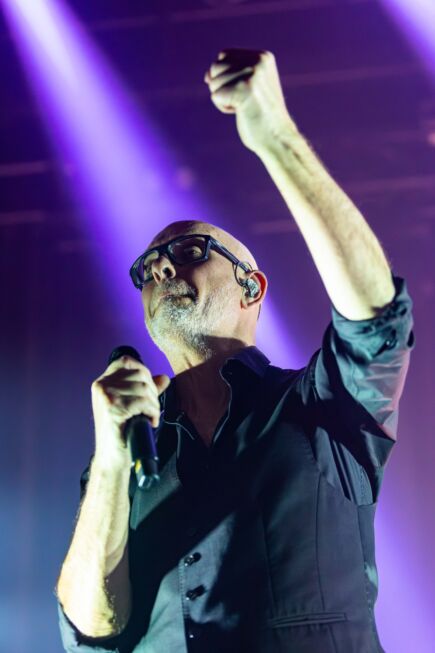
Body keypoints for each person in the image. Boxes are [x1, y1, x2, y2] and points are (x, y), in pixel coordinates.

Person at [56, 49, 415, 653]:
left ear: (252, 287)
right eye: (147, 267)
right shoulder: (126, 455)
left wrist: (275, 136)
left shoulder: (318, 406)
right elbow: (92, 631)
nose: (161, 267)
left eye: (189, 251)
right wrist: (111, 461)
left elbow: (376, 316)